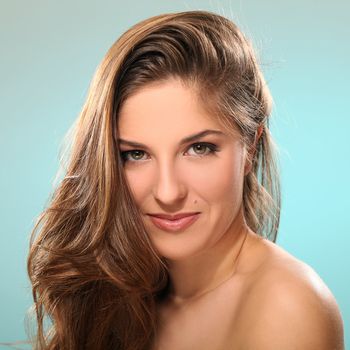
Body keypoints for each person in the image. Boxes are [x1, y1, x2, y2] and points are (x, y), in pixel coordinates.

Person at [27, 10, 344, 350]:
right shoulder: (122, 290)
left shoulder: (288, 308)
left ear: (251, 147)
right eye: (135, 154)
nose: (167, 192)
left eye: (199, 148)